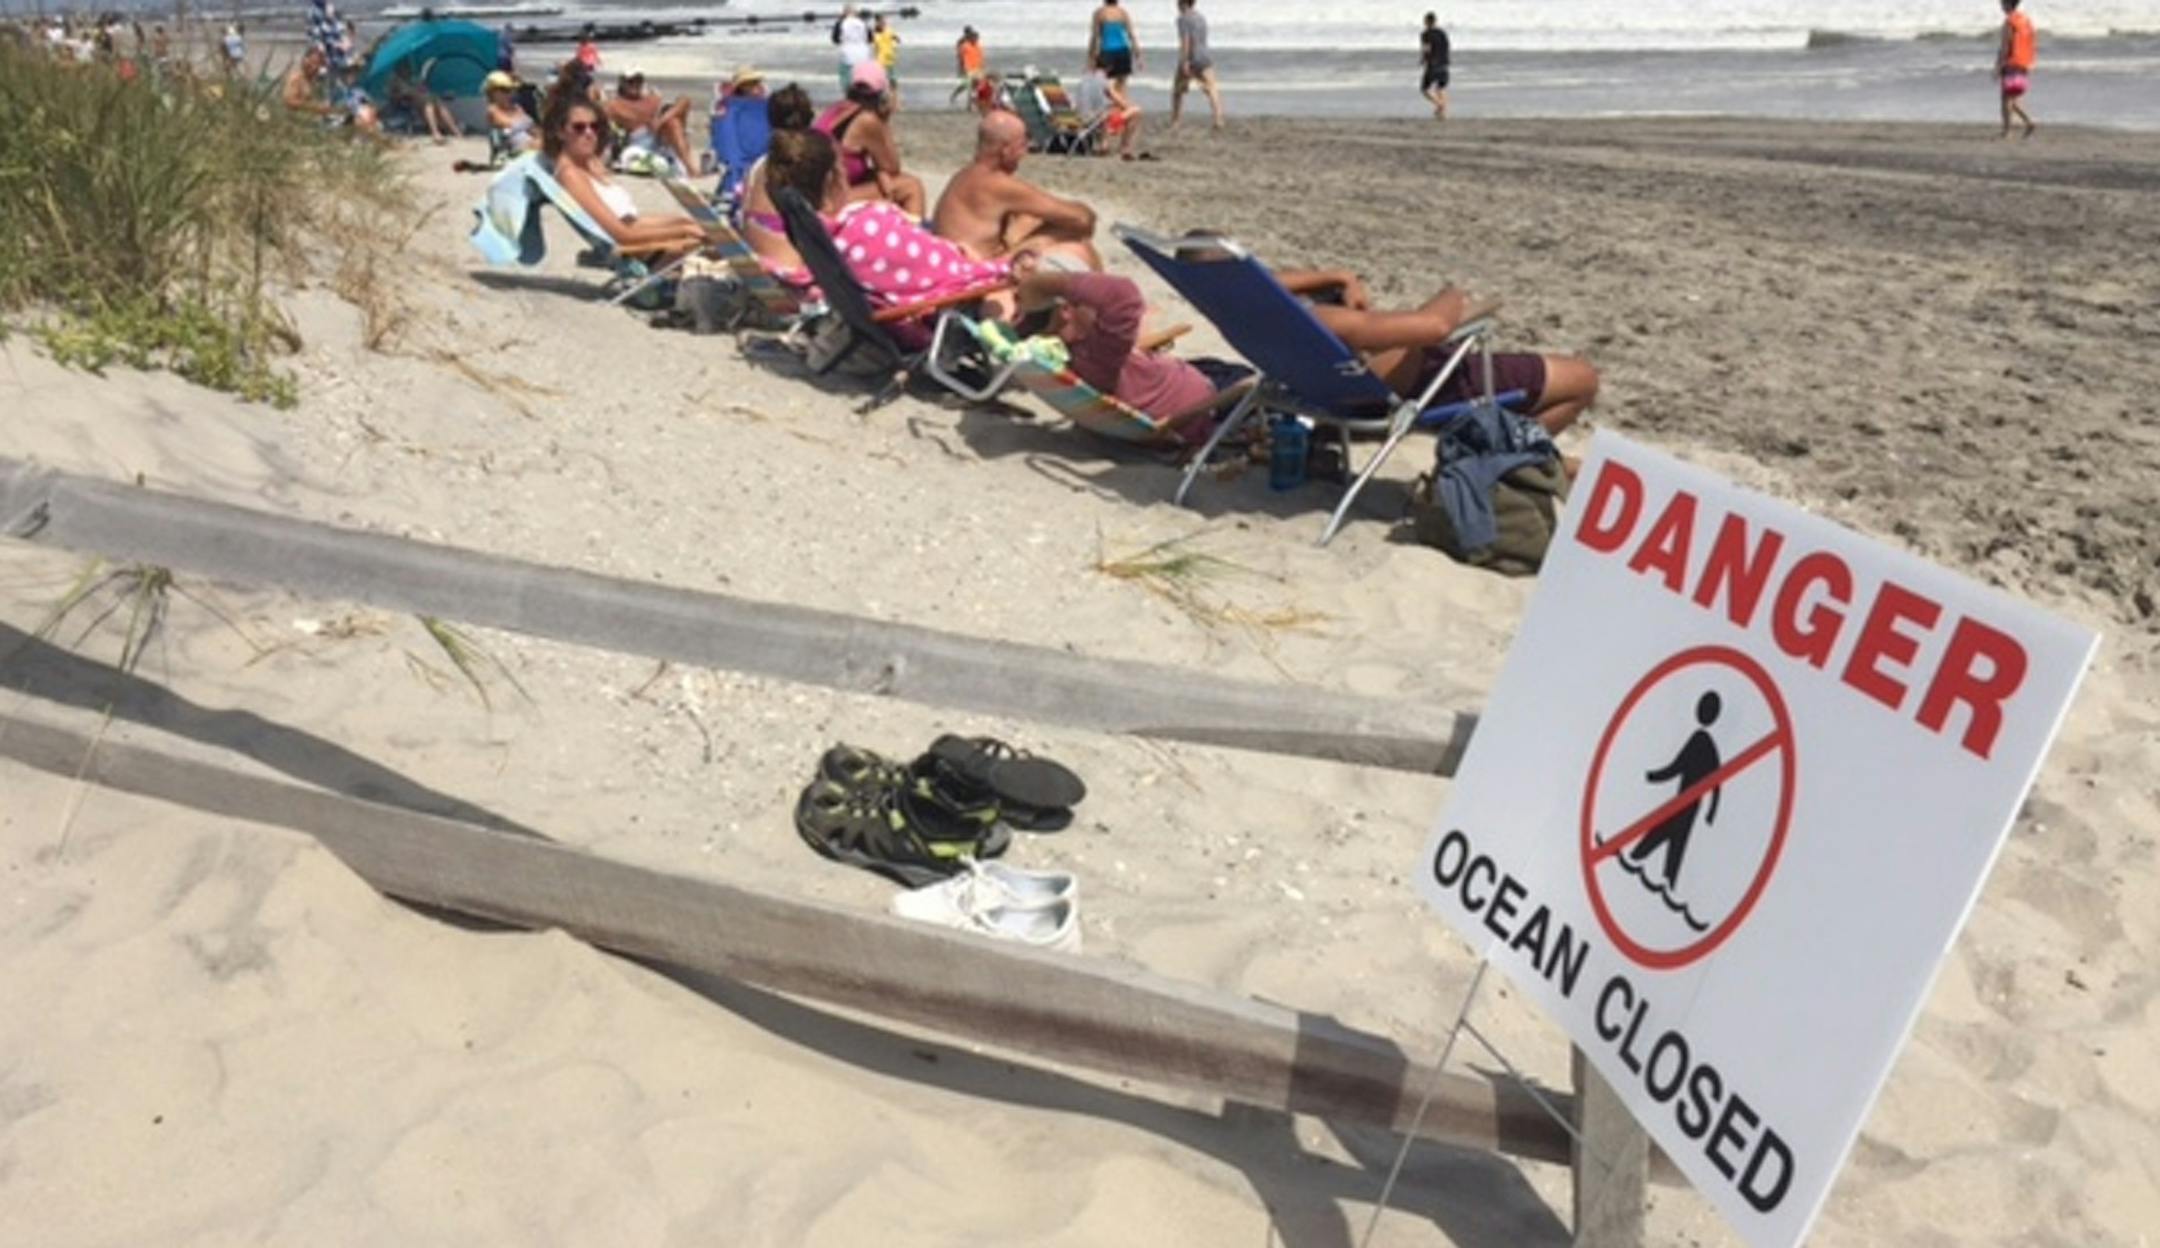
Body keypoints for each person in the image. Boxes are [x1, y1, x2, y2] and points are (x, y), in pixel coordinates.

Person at [1267, 263, 1598, 435]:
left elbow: (1267, 282)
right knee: (1583, 379)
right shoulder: (1326, 320)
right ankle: (1507, 465)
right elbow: (1436, 328)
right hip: (1436, 386)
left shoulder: (1254, 311)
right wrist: (1453, 293)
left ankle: (1528, 457)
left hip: (1351, 384)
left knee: (1456, 321)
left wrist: (1340, 277)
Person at [762, 127, 1013, 310]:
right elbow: (944, 275)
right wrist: (982, 262)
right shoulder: (867, 228)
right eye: (842, 167)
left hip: (893, 300)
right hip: (933, 307)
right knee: (1014, 284)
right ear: (832, 179)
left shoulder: (814, 233)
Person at [1012, 268, 1253, 437]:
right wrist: (1042, 284)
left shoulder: (1076, 357)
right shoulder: (1096, 355)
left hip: (1173, 380)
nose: (1094, 307)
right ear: (1066, 311)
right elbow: (1122, 296)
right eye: (1084, 301)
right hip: (1216, 399)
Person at [543, 95, 709, 262]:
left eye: (594, 127)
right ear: (560, 132)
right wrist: (683, 231)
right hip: (640, 250)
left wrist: (684, 224)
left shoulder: (587, 166)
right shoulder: (570, 175)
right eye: (579, 127)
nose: (589, 133)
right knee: (713, 243)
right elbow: (622, 234)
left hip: (641, 239)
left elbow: (632, 222)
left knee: (700, 228)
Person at [934, 111, 1102, 269]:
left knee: (1030, 220)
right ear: (1006, 151)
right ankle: (1103, 296)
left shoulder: (966, 176)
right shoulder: (996, 184)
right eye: (1022, 144)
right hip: (976, 275)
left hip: (956, 267)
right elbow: (1084, 219)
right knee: (1079, 244)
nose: (1026, 152)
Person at [813, 60, 927, 218]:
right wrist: (885, 120)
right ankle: (913, 239)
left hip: (817, 191)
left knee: (885, 181)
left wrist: (879, 172)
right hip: (827, 202)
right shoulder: (867, 121)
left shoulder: (839, 109)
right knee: (911, 187)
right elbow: (892, 166)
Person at [737, 84, 818, 277]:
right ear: (810, 119)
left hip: (755, 262)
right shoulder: (804, 163)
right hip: (789, 272)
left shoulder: (758, 166)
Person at [607, 68, 698, 176]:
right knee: (672, 123)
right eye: (631, 82)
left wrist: (660, 121)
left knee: (673, 122)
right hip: (640, 142)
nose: (635, 85)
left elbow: (685, 100)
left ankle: (691, 169)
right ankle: (689, 169)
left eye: (638, 81)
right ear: (622, 83)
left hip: (661, 136)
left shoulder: (652, 99)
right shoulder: (615, 105)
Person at [1087, 0, 1144, 155]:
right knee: (1121, 94)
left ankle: (1105, 139)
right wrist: (1138, 56)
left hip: (1107, 53)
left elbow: (1095, 37)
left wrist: (1090, 59)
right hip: (1123, 52)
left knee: (1106, 94)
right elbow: (1131, 35)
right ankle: (1122, 135)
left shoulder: (1100, 13)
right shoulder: (1123, 12)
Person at [1170, 0, 1224, 132]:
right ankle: (1218, 119)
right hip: (1205, 56)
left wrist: (1185, 61)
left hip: (1192, 57)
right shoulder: (1201, 17)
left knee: (1177, 91)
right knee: (1211, 89)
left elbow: (1186, 41)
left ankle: (1176, 121)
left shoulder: (1182, 19)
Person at [390, 61, 462, 143]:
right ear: (399, 70)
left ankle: (455, 130)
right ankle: (435, 132)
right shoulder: (395, 82)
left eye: (408, 68)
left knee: (438, 103)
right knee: (429, 103)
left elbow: (422, 89)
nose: (407, 70)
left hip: (421, 98)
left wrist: (420, 87)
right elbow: (396, 97)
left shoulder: (413, 79)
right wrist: (408, 92)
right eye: (405, 68)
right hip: (409, 102)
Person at [1997, 0, 2037, 139]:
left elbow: (2005, 46)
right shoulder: (2025, 20)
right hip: (2024, 62)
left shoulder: (2009, 22)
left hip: (2011, 62)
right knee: (2014, 98)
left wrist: (1998, 65)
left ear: (2007, 4)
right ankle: (2028, 122)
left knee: (2006, 98)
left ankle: (2007, 131)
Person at [485, 70, 539, 155]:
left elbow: (532, 128)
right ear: (492, 92)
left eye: (510, 90)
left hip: (530, 144)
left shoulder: (517, 107)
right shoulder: (493, 110)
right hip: (515, 150)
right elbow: (509, 124)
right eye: (504, 90)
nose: (509, 94)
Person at [833, 3, 870, 94]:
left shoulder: (841, 22)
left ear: (844, 12)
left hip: (847, 56)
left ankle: (849, 99)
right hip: (863, 56)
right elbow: (870, 38)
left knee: (846, 81)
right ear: (855, 12)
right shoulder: (862, 22)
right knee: (861, 81)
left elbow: (835, 39)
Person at [1420, 12, 1450, 120]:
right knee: (1441, 88)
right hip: (1444, 63)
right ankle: (1443, 113)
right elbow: (1447, 47)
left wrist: (1423, 60)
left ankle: (1439, 105)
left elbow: (1427, 49)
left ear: (1427, 21)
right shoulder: (1442, 33)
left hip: (1433, 64)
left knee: (1424, 89)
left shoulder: (1426, 34)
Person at [952, 26, 987, 108]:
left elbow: (979, 56)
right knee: (967, 85)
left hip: (975, 68)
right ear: (965, 33)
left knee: (971, 85)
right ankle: (959, 97)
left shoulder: (976, 43)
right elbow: (959, 55)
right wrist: (961, 67)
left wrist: (982, 66)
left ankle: (971, 102)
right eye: (969, 32)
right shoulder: (962, 42)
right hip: (967, 68)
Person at [872, 14, 900, 99]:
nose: (883, 22)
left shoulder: (889, 30)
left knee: (893, 80)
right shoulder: (874, 32)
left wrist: (894, 44)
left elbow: (897, 40)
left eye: (884, 21)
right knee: (881, 80)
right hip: (880, 59)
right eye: (881, 21)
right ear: (877, 22)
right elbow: (874, 45)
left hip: (890, 58)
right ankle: (883, 98)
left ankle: (894, 98)